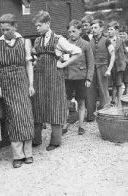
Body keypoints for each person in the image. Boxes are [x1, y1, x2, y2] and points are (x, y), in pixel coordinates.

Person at [0, 14, 35, 168]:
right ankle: (17, 156)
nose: (5, 32)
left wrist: (31, 85)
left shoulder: (24, 42)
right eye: (2, 29)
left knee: (26, 116)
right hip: (7, 84)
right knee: (13, 118)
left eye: (8, 29)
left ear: (15, 27)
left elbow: (28, 65)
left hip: (22, 82)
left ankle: (28, 153)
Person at [31, 10, 81, 151]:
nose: (37, 28)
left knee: (55, 108)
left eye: (40, 25)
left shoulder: (59, 39)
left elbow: (77, 52)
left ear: (48, 23)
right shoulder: (37, 40)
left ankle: (56, 140)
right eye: (36, 26)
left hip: (55, 79)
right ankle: (36, 138)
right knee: (38, 106)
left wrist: (64, 64)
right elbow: (37, 58)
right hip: (39, 79)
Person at [61, 20, 94, 135]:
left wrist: (89, 78)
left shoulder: (86, 44)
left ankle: (80, 126)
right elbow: (61, 59)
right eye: (69, 32)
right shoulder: (64, 44)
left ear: (80, 31)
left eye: (74, 31)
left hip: (81, 77)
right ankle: (64, 125)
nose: (71, 34)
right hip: (68, 77)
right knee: (66, 102)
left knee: (81, 102)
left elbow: (90, 63)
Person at [90, 19, 115, 109]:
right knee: (90, 90)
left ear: (101, 28)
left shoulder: (107, 41)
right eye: (92, 28)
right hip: (91, 68)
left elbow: (113, 55)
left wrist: (109, 69)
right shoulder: (90, 40)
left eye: (95, 27)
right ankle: (90, 114)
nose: (93, 29)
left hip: (103, 68)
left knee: (103, 90)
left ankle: (105, 111)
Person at [81, 14, 97, 122]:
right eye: (83, 25)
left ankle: (96, 113)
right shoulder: (82, 37)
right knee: (88, 91)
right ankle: (90, 114)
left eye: (86, 25)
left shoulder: (96, 37)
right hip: (86, 67)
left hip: (97, 66)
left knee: (96, 91)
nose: (84, 27)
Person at [107, 21, 127, 106]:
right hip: (109, 65)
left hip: (119, 65)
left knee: (118, 84)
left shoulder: (120, 41)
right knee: (110, 84)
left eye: (111, 29)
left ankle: (118, 102)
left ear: (116, 31)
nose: (109, 31)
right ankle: (111, 101)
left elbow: (125, 52)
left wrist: (124, 61)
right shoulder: (106, 40)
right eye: (108, 29)